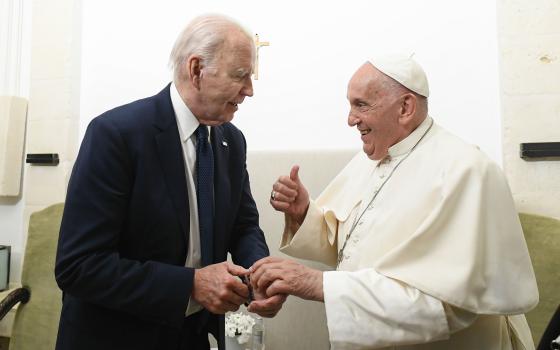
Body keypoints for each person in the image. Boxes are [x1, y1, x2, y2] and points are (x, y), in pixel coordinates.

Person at [249, 54, 539, 349]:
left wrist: (317, 283)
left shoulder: (466, 171)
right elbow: (353, 247)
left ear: (405, 107)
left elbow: (446, 306)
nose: (350, 119)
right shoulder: (372, 160)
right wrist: (304, 214)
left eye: (361, 104)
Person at [55, 15, 284, 350]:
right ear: (196, 70)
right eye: (240, 75)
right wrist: (190, 285)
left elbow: (243, 225)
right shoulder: (115, 135)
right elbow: (79, 267)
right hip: (119, 337)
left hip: (192, 337)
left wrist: (257, 275)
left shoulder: (232, 142)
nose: (249, 89)